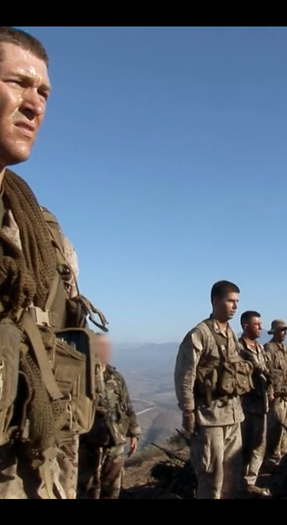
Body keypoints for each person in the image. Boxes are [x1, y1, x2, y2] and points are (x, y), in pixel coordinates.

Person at [0, 26, 107, 499]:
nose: (35, 104)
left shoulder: (43, 230)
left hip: (33, 468)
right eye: (17, 83)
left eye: (42, 91)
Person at [173, 280, 255, 498]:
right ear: (215, 301)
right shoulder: (200, 334)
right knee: (211, 478)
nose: (235, 306)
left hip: (233, 415)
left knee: (231, 477)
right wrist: (188, 411)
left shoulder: (231, 336)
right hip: (209, 417)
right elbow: (185, 374)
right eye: (230, 301)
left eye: (237, 302)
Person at [78, 333, 141, 498]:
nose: (104, 351)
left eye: (107, 347)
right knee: (87, 486)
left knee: (111, 487)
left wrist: (134, 433)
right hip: (88, 442)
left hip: (115, 441)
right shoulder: (81, 377)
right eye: (100, 347)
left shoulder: (116, 378)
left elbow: (127, 406)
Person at [238, 310, 272, 496]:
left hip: (261, 404)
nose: (260, 327)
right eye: (257, 324)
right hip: (244, 406)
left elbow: (267, 373)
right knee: (243, 446)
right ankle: (238, 482)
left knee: (259, 445)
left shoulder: (260, 348)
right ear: (245, 326)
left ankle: (250, 481)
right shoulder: (238, 348)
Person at [264, 319, 287, 466]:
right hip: (276, 395)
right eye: (282, 330)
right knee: (275, 427)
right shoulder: (269, 349)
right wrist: (269, 393)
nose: (284, 333)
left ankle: (284, 457)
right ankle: (272, 458)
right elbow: (267, 373)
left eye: (286, 331)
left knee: (286, 428)